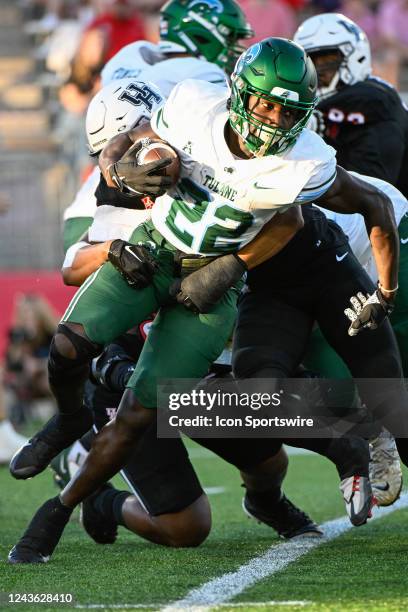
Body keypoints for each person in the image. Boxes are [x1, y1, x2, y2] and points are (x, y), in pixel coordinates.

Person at [8, 37, 401, 564]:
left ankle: (272, 500)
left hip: (196, 354)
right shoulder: (115, 189)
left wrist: (233, 268)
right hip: (124, 360)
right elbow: (72, 265)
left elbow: (295, 217)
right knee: (181, 506)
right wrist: (115, 238)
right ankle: (86, 472)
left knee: (261, 430)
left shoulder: (275, 162)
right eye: (124, 146)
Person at [294, 12, 408, 505]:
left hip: (388, 244)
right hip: (337, 248)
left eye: (325, 61)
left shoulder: (368, 99)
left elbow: (361, 179)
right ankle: (373, 435)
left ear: (353, 56)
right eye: (309, 64)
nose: (318, 74)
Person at [62, 0, 254, 252]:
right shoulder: (204, 75)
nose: (234, 48)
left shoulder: (129, 59)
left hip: (88, 208)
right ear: (202, 34)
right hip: (134, 212)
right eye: (229, 37)